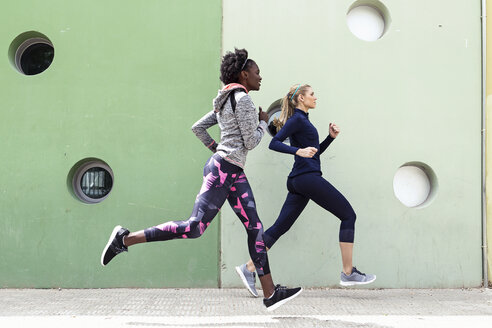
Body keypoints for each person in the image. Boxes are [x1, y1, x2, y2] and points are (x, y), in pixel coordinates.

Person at [100, 49, 302, 311]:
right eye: (256, 72)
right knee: (195, 227)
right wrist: (264, 123)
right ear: (244, 74)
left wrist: (217, 149)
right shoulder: (243, 101)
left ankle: (270, 292)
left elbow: (198, 127)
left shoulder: (224, 100)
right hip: (223, 171)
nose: (260, 77)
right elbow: (251, 141)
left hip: (231, 171)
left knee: (255, 228)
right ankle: (124, 239)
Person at [235, 84, 376, 297]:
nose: (315, 97)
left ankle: (249, 268)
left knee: (280, 227)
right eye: (311, 94)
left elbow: (314, 154)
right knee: (348, 215)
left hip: (299, 180)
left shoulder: (304, 121)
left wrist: (329, 138)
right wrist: (297, 150)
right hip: (306, 178)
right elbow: (274, 143)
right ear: (301, 98)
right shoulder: (297, 120)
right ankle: (348, 272)